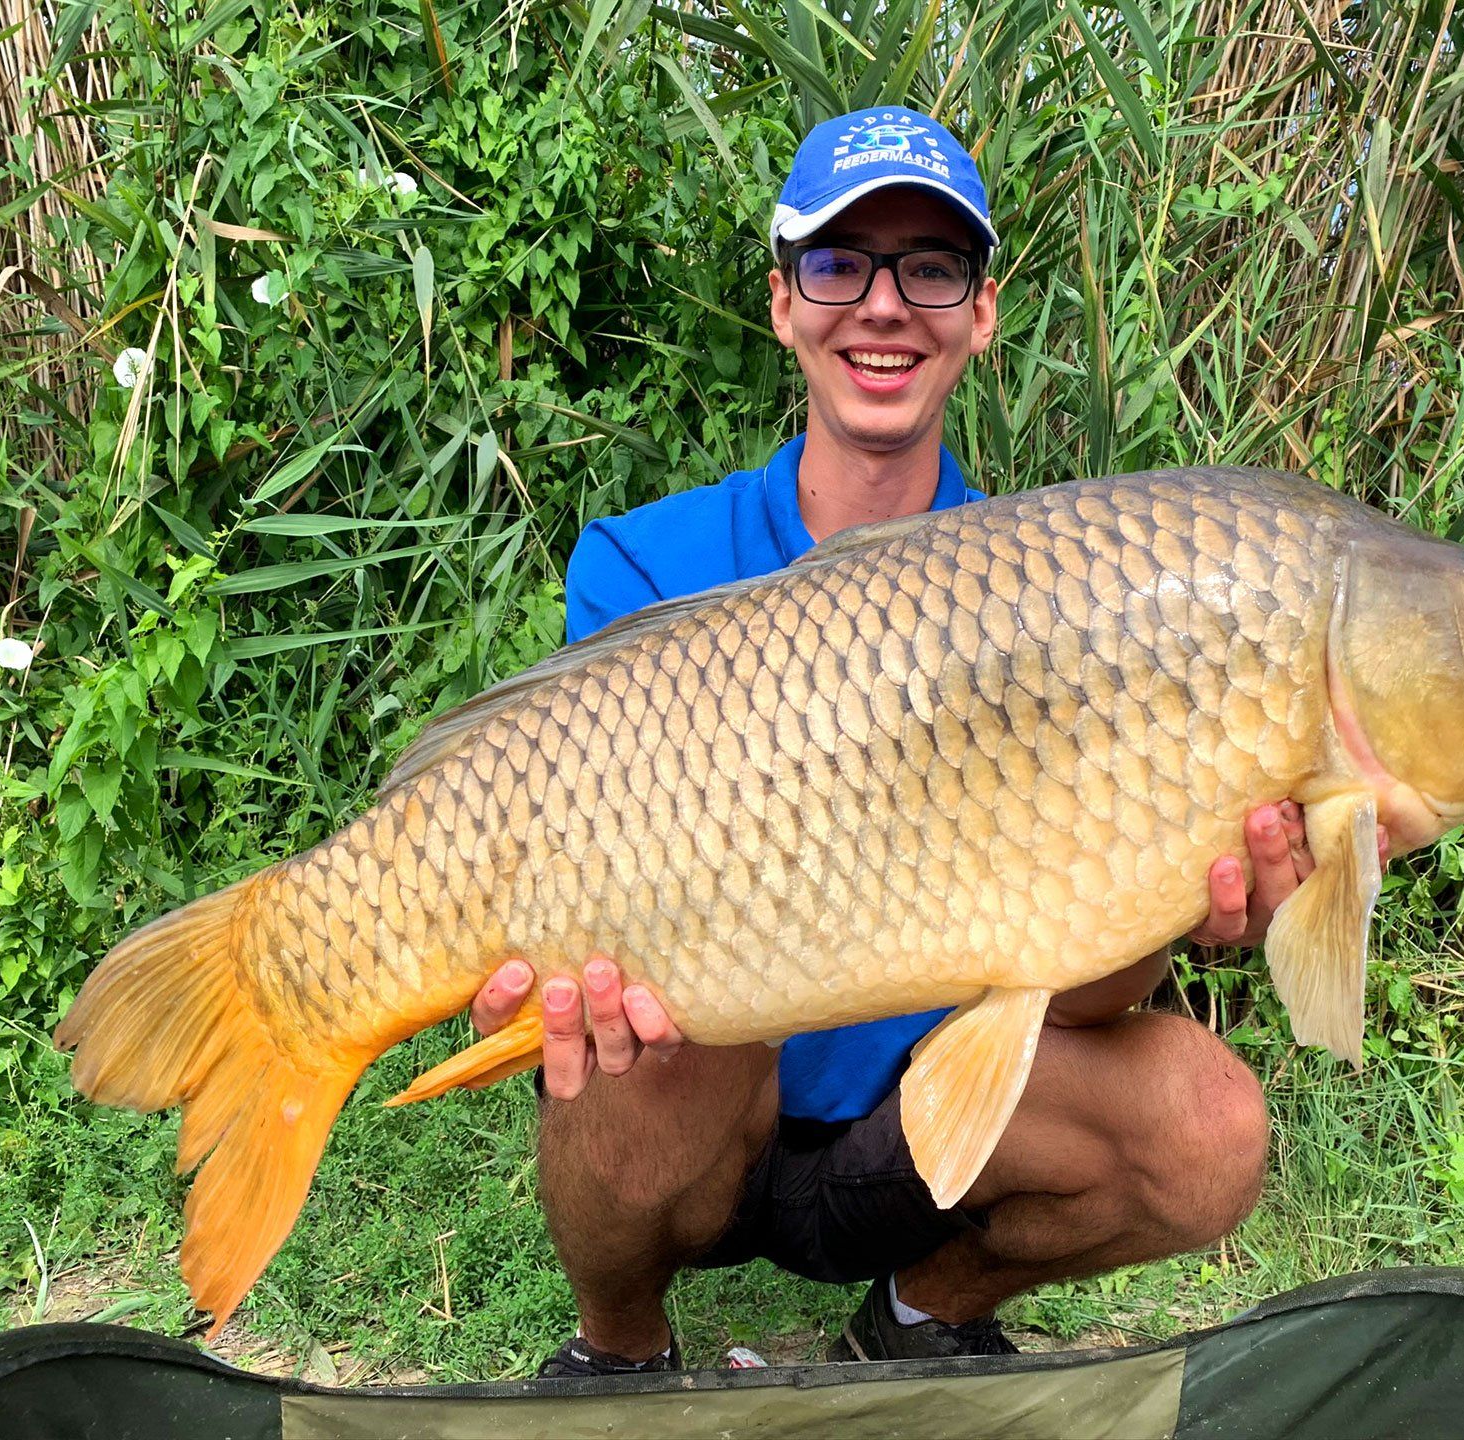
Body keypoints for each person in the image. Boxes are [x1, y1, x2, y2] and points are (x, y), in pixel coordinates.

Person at [468, 107, 1387, 1375]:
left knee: (1208, 1128)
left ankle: (919, 1312)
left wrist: (1176, 902)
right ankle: (619, 1350)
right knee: (641, 1034)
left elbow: (1076, 990)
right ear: (787, 303)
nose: (885, 306)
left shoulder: (1062, 594)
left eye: (931, 268)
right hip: (708, 1094)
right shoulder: (647, 566)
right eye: (843, 265)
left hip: (924, 1122)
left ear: (982, 312)